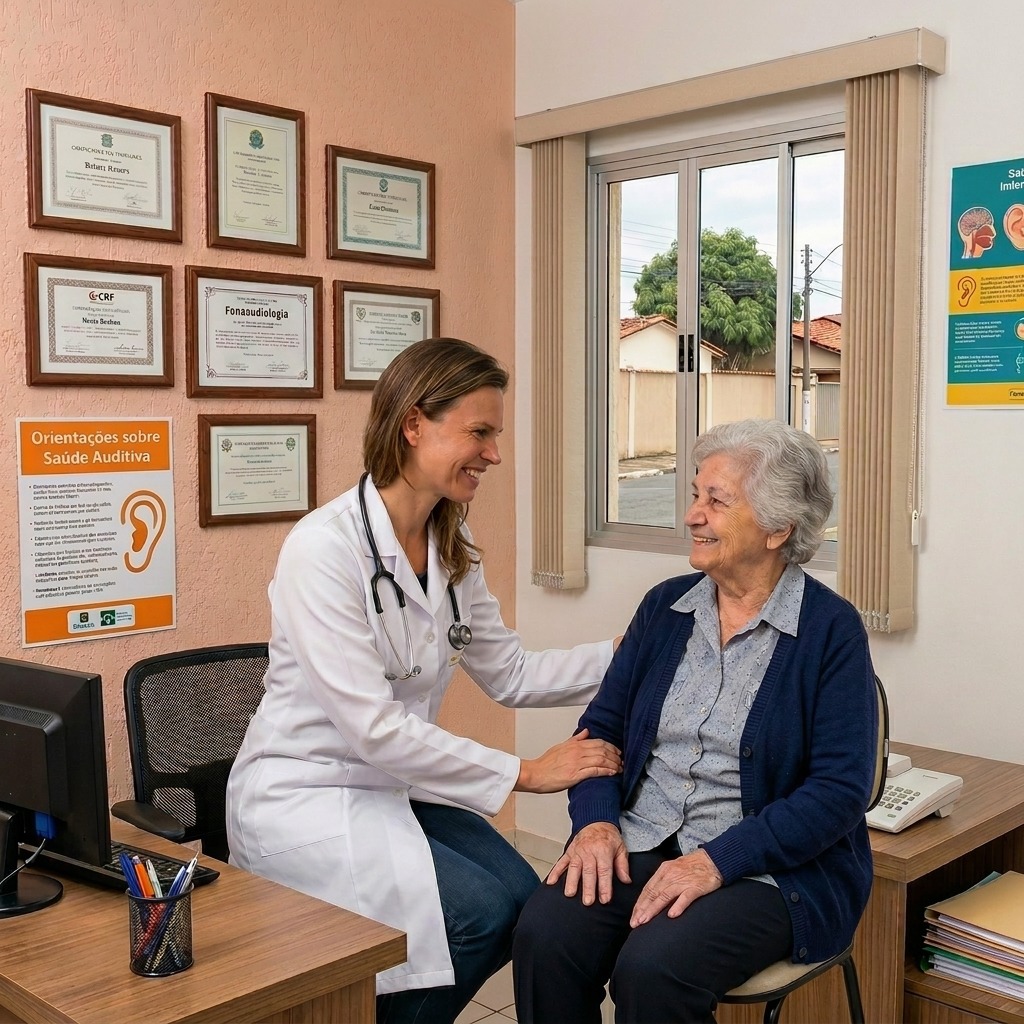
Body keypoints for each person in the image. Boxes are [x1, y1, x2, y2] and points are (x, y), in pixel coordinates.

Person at [225, 337, 621, 1024]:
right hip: (305, 795)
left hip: (388, 787)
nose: (494, 453)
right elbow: (373, 727)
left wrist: (631, 652)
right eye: (480, 432)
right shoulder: (324, 550)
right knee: (476, 917)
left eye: (495, 434)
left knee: (522, 906)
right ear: (413, 425)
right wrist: (529, 772)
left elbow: (514, 673)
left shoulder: (449, 545)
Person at [513, 419, 877, 1024]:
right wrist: (598, 824)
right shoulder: (665, 607)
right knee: (544, 936)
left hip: (768, 868)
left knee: (654, 970)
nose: (692, 515)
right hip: (644, 837)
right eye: (694, 494)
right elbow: (599, 733)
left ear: (778, 528)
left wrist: (716, 861)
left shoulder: (829, 631)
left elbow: (838, 794)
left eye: (716, 500)